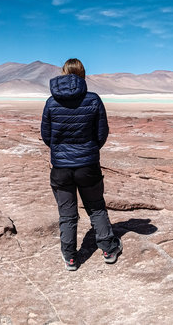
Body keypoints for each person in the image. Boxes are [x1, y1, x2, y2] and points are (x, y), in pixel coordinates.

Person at [40, 58, 122, 271]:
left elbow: (46, 136)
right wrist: (89, 152)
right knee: (96, 207)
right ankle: (108, 249)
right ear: (83, 74)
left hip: (61, 168)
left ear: (64, 73)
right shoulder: (93, 100)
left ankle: (70, 257)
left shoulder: (51, 102)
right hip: (88, 166)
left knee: (67, 214)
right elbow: (101, 133)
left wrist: (60, 153)